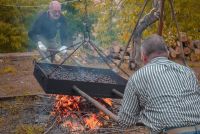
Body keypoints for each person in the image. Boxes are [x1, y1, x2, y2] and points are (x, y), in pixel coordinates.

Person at [118, 34, 200, 133]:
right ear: (168, 53)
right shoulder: (187, 71)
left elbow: (125, 121)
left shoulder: (137, 76)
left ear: (143, 56)